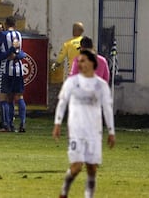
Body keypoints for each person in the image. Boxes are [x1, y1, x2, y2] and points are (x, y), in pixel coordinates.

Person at [52, 49, 116, 198]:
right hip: (76, 130)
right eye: (78, 61)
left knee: (92, 168)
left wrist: (111, 132)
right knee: (76, 166)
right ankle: (64, 191)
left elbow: (107, 108)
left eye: (83, 61)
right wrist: (57, 124)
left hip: (94, 131)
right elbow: (62, 103)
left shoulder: (101, 85)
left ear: (92, 63)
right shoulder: (72, 83)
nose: (79, 64)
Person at [0, 16, 27, 132]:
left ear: (5, 25)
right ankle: (22, 123)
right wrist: (17, 55)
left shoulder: (3, 35)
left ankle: (6, 124)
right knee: (18, 97)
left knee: (4, 97)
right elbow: (21, 53)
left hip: (6, 69)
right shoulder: (19, 35)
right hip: (19, 69)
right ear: (15, 25)